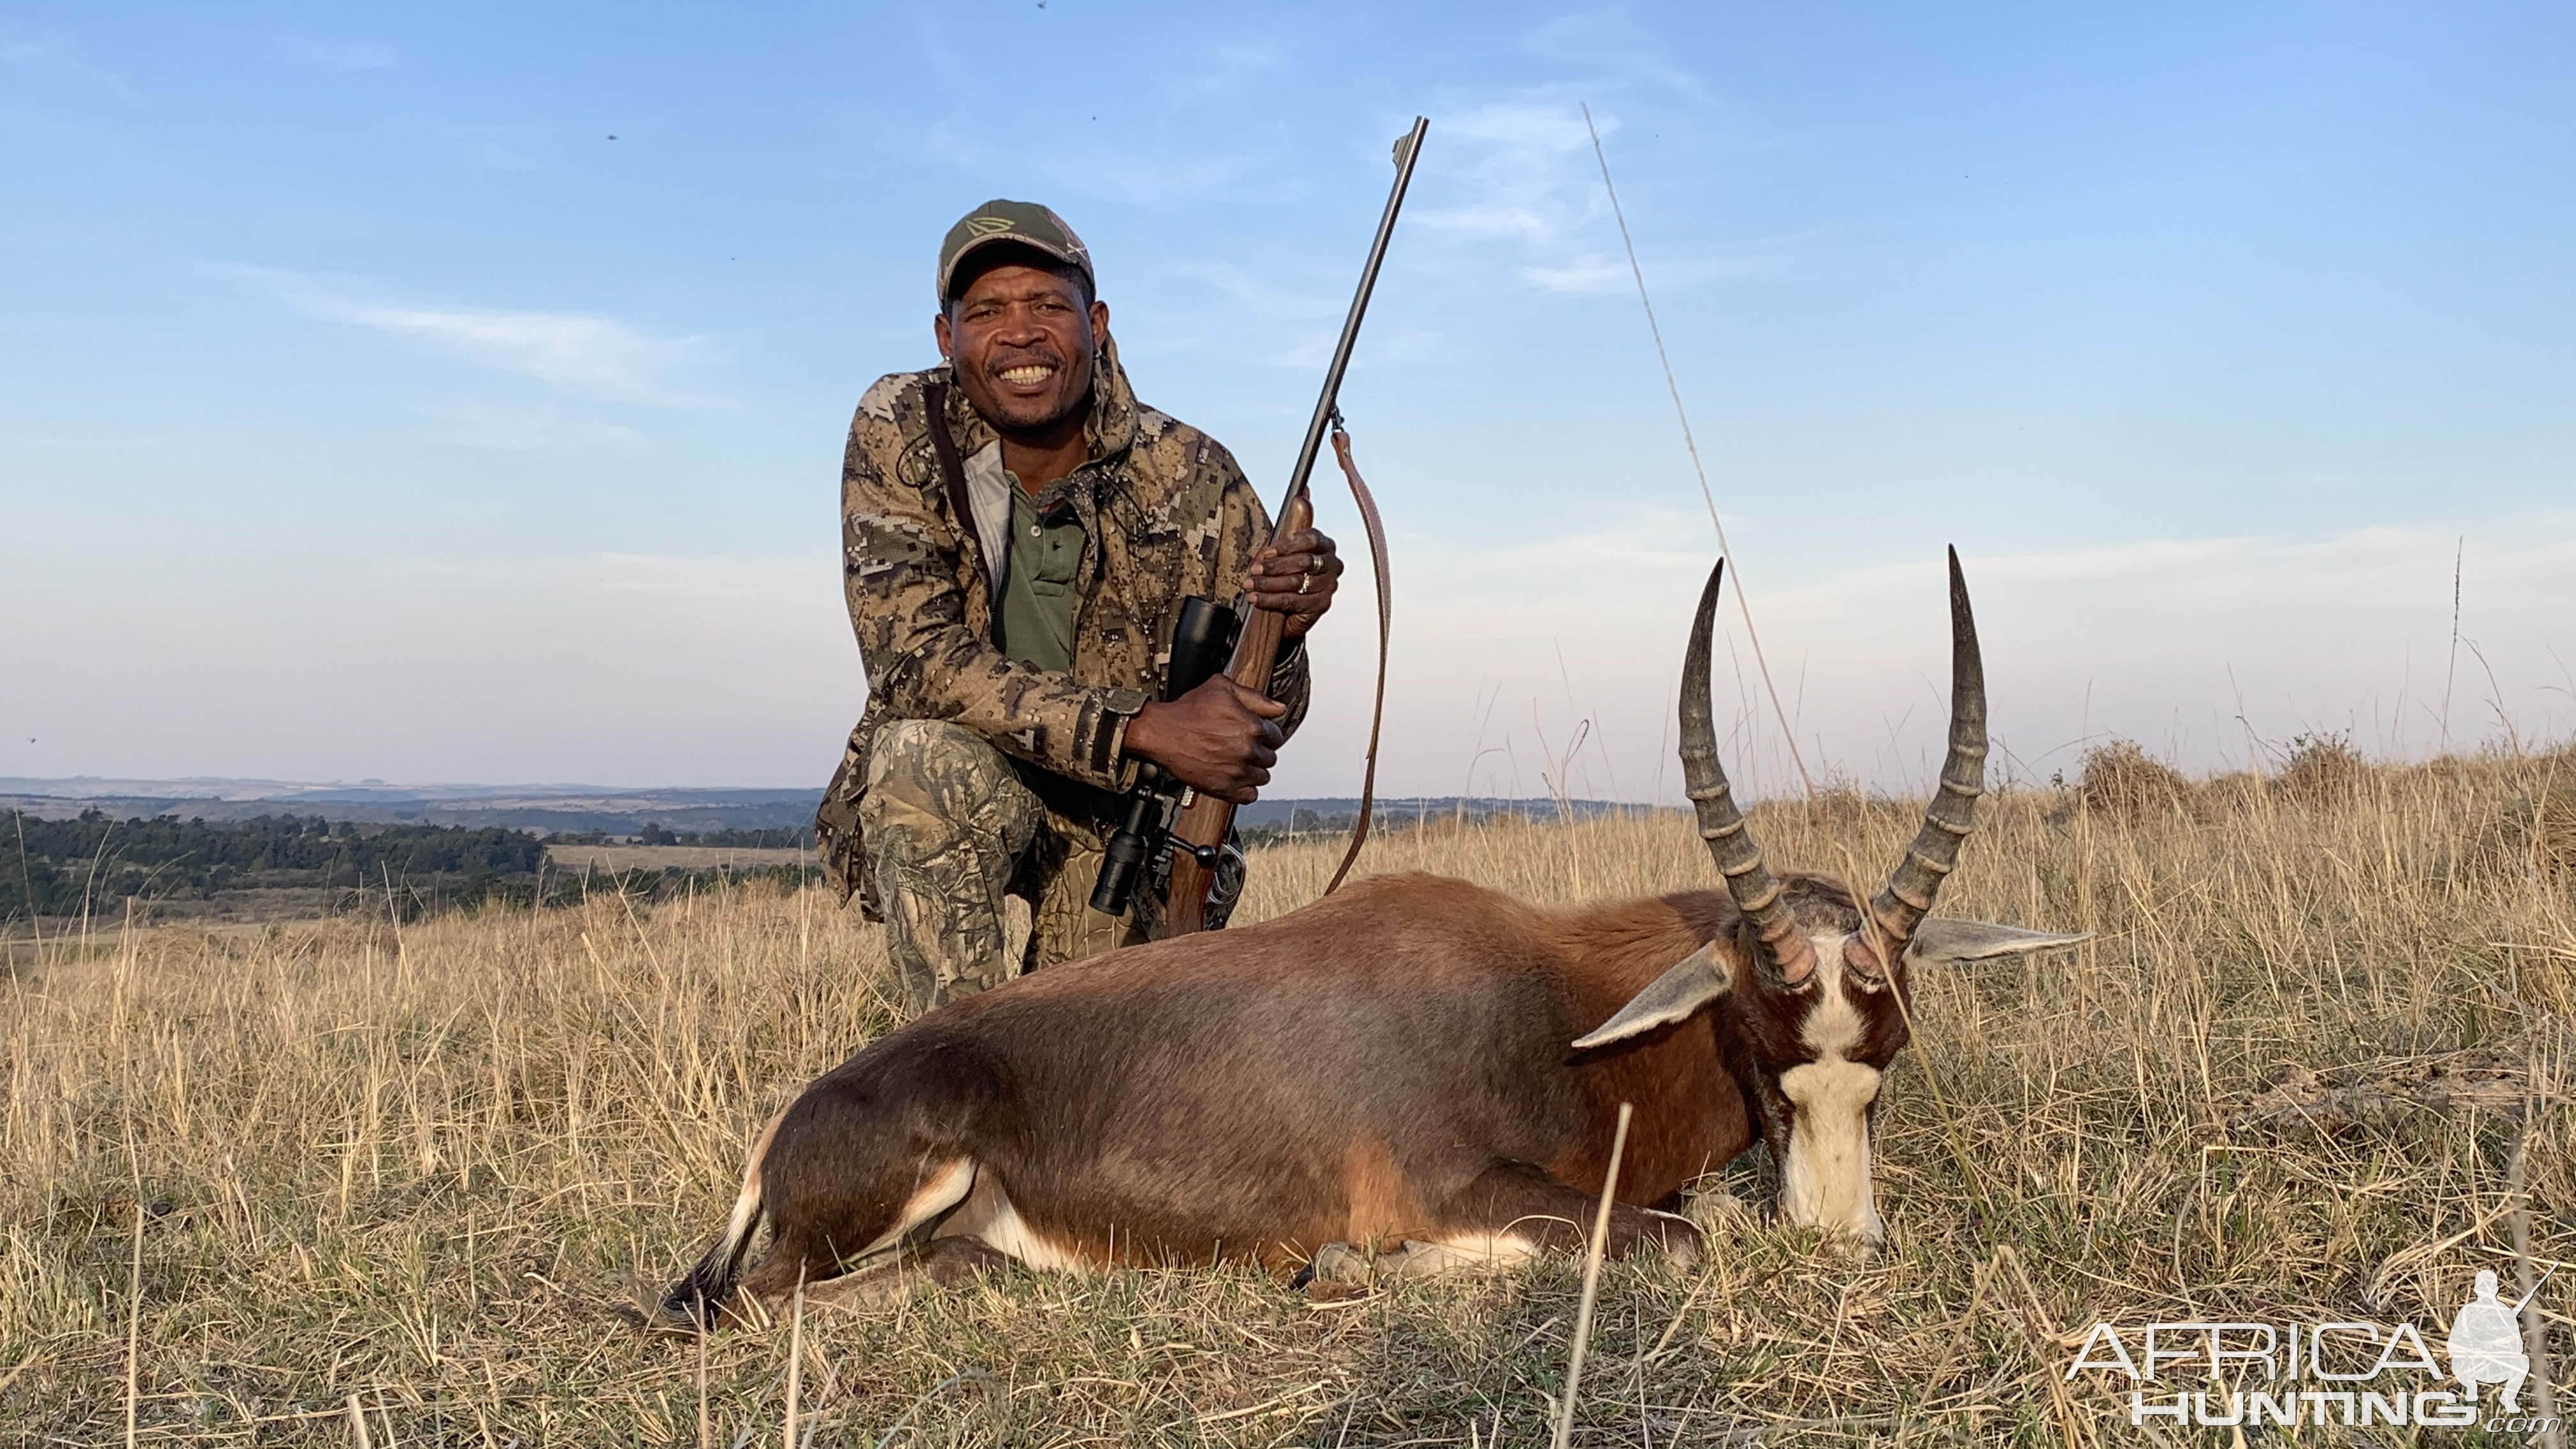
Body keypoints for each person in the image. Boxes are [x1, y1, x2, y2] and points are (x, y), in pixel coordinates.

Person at [816, 200, 1343, 1016]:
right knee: (919, 764)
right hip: (980, 778)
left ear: (1094, 323)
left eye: (1049, 306)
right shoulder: (899, 427)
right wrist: (1143, 728)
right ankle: (957, 1076)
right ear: (944, 337)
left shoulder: (1196, 472)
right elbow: (913, 664)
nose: (1020, 333)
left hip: (1124, 820)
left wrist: (1286, 638)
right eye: (986, 311)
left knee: (1088, 1061)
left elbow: (1260, 724)